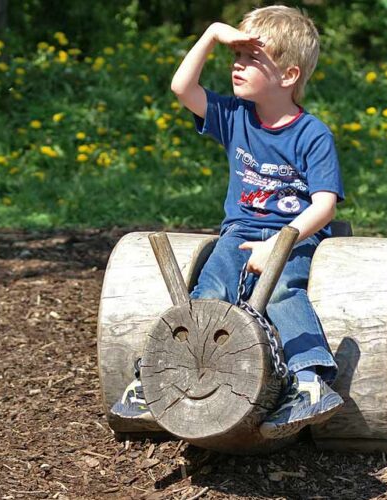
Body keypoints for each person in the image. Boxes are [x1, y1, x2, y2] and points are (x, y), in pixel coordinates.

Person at [112, 5, 345, 439]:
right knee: (207, 294)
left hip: (292, 238)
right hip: (237, 234)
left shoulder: (313, 134)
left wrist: (277, 244)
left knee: (280, 292)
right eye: (234, 57)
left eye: (251, 58)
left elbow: (325, 205)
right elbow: (182, 87)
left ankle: (311, 381)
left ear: (289, 75)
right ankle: (155, 377)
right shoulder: (235, 117)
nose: (236, 66)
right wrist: (210, 35)